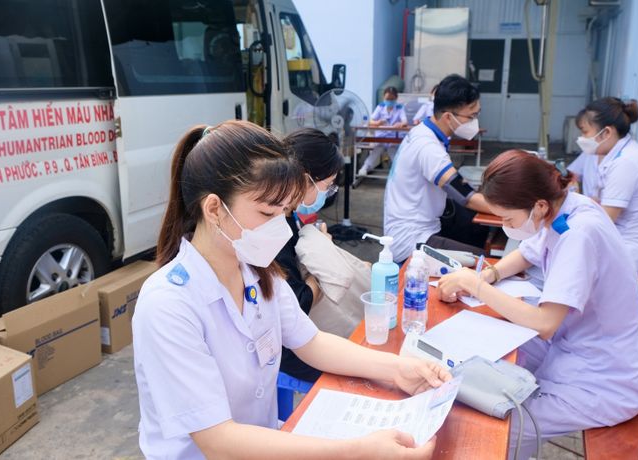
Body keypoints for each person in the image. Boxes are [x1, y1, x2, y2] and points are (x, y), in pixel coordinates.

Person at [132, 120, 450, 459]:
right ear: (214, 209)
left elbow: (311, 342)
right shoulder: (168, 304)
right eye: (267, 212)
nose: (280, 228)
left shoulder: (258, 274)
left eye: (284, 212)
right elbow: (218, 441)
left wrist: (398, 369)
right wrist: (356, 451)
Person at [437, 150, 638, 459]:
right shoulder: (568, 207)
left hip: (606, 378)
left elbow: (545, 324)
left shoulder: (578, 234)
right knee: (487, 350)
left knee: (503, 426)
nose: (505, 226)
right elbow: (528, 253)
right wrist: (490, 274)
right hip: (579, 344)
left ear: (539, 206)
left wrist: (475, 285)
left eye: (508, 219)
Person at [384, 74, 491, 263]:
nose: (475, 121)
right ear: (448, 117)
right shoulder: (428, 147)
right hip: (412, 240)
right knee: (485, 261)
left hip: (413, 226)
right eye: (471, 116)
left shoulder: (422, 131)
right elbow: (465, 196)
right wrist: (511, 211)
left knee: (479, 229)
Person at [276, 128, 342, 383]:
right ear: (306, 180)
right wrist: (320, 270)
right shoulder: (276, 228)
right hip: (286, 348)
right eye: (327, 185)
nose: (328, 192)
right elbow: (298, 303)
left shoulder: (288, 215)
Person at [570, 97, 638, 277]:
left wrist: (581, 207)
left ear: (606, 132)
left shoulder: (626, 161)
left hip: (625, 251)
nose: (581, 138)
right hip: (611, 239)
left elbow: (604, 218)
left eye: (585, 132)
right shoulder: (608, 152)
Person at [357, 86, 407, 176]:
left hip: (393, 138)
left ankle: (399, 172)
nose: (389, 101)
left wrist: (400, 124)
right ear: (384, 97)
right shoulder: (380, 107)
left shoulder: (399, 108)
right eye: (387, 99)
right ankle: (365, 168)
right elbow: (370, 121)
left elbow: (405, 121)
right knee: (377, 149)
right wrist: (378, 122)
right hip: (381, 137)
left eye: (392, 99)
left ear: (396, 98)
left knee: (392, 151)